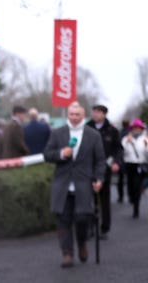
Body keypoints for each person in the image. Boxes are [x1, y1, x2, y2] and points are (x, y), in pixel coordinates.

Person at [43, 102, 105, 268]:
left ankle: (82, 243)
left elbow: (100, 160)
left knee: (82, 219)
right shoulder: (57, 133)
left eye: (77, 114)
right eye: (71, 114)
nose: (74, 117)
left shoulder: (93, 135)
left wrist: (99, 179)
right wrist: (61, 154)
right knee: (63, 220)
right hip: (62, 185)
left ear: (83, 115)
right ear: (68, 115)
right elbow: (47, 154)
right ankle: (67, 253)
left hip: (84, 184)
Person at [86, 104, 122, 237]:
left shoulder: (112, 131)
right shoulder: (87, 127)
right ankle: (89, 226)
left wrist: (116, 162)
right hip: (88, 168)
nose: (95, 114)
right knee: (89, 199)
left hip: (105, 169)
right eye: (93, 111)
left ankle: (104, 228)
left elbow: (118, 149)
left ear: (104, 114)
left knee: (105, 200)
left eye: (98, 112)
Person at [120, 119, 148, 218]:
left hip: (140, 165)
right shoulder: (126, 138)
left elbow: (146, 154)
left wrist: (146, 146)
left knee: (137, 186)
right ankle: (132, 198)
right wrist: (127, 142)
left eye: (138, 128)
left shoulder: (145, 139)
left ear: (141, 129)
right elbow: (122, 152)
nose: (136, 130)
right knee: (130, 186)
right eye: (135, 128)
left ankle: (136, 207)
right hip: (129, 165)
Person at [117, 118, 130, 203]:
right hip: (128, 159)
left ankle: (121, 196)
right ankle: (130, 196)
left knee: (120, 179)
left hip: (121, 159)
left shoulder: (120, 133)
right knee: (129, 179)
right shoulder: (130, 133)